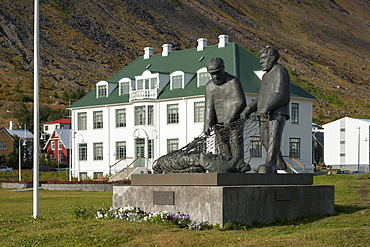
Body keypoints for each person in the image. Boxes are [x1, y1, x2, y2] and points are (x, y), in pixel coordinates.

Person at [240, 46, 290, 173]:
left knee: (273, 138)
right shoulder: (265, 76)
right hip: (264, 114)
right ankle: (281, 164)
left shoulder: (280, 71)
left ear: (272, 58)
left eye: (263, 58)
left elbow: (281, 94)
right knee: (264, 140)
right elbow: (261, 98)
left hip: (277, 112)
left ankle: (271, 163)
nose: (260, 62)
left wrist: (267, 106)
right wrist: (249, 109)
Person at [203, 57, 247, 171]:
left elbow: (239, 101)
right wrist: (207, 123)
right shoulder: (209, 87)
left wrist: (230, 117)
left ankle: (239, 164)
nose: (215, 77)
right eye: (212, 74)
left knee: (235, 141)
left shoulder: (233, 82)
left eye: (217, 73)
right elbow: (208, 107)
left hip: (234, 121)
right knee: (223, 144)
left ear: (223, 68)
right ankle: (227, 164)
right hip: (218, 123)